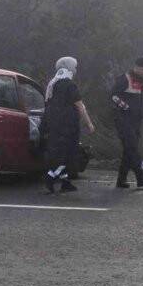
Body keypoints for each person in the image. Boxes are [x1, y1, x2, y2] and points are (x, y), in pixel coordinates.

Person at [42, 56, 95, 193]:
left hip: (55, 125)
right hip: (68, 125)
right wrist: (89, 123)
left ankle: (65, 183)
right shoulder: (70, 85)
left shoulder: (52, 84)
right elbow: (80, 106)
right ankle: (50, 177)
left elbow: (47, 105)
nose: (76, 69)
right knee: (69, 154)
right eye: (75, 67)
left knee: (59, 152)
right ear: (70, 68)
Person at [110, 56, 143, 189]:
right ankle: (140, 177)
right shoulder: (125, 79)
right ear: (136, 68)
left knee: (128, 150)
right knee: (132, 148)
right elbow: (113, 96)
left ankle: (121, 180)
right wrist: (126, 107)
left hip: (136, 120)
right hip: (124, 119)